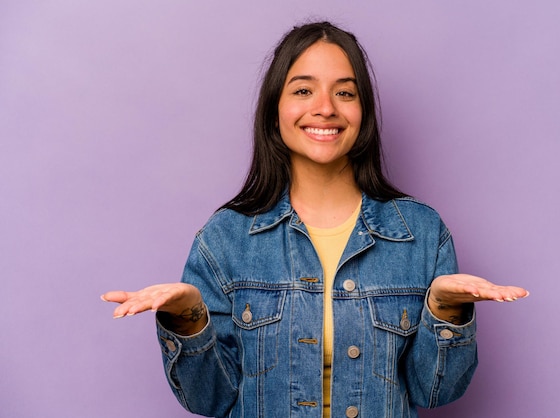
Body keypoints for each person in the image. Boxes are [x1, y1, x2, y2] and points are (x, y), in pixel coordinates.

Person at [102, 21, 529, 418]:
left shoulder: (421, 232)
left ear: (363, 113)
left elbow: (434, 392)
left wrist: (446, 310)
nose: (325, 108)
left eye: (345, 93)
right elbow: (209, 397)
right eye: (303, 91)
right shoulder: (225, 238)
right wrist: (186, 317)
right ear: (275, 111)